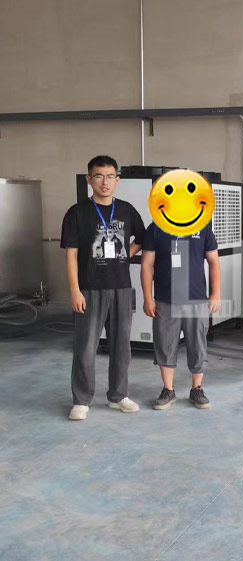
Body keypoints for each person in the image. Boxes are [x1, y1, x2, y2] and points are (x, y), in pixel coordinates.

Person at [61, 155, 145, 421]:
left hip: (121, 287)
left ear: (117, 180)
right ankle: (81, 400)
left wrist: (125, 254)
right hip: (89, 288)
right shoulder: (77, 212)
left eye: (110, 177)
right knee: (86, 346)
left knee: (121, 345)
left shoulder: (127, 210)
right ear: (89, 179)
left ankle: (118, 396)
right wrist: (74, 290)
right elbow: (71, 255)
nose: (105, 182)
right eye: (99, 176)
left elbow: (142, 238)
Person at [141, 221, 221, 410]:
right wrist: (147, 297)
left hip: (196, 299)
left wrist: (215, 293)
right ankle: (168, 390)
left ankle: (197, 389)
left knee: (198, 345)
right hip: (165, 299)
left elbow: (214, 261)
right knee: (165, 344)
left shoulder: (202, 227)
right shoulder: (156, 228)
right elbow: (147, 264)